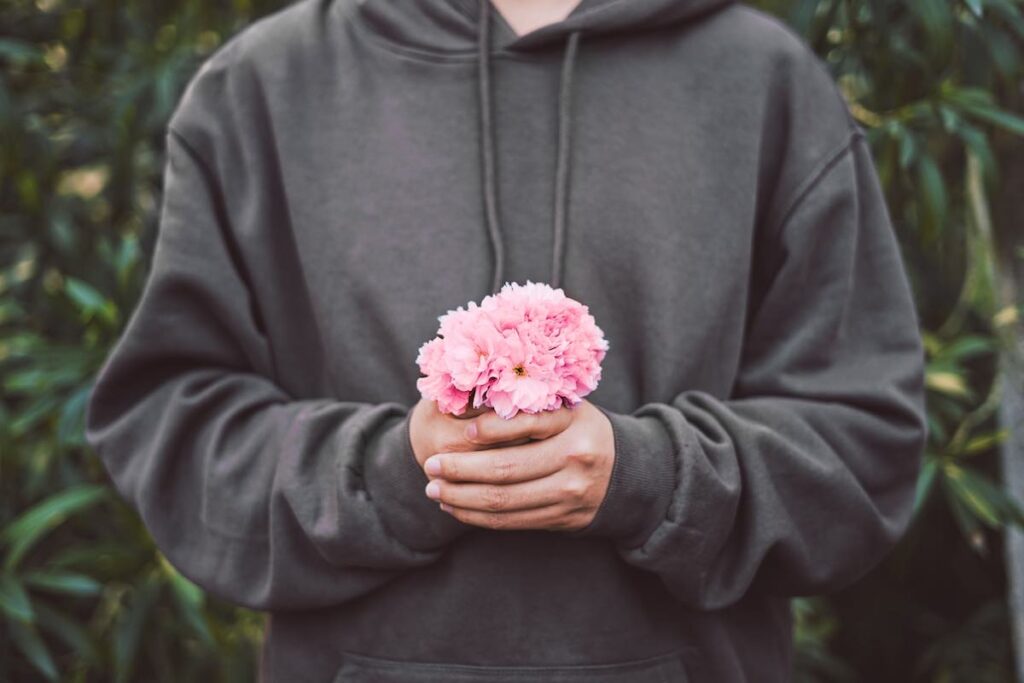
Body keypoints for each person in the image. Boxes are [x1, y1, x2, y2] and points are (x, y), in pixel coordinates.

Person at [84, 0, 929, 680]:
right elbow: (173, 425)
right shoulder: (261, 88)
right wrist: (393, 471)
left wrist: (651, 477)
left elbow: (861, 445)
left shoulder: (761, 80)